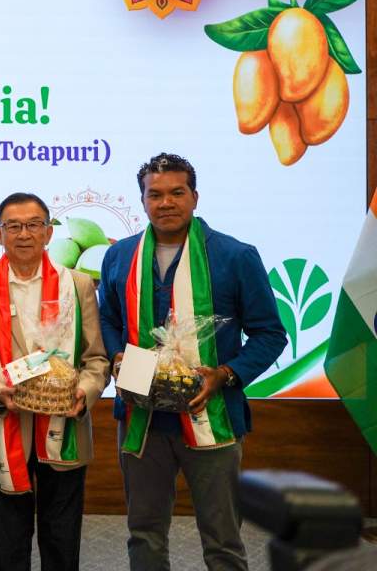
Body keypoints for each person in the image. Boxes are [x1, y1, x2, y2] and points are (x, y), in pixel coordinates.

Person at [99, 152, 287, 571]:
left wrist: (225, 374)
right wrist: (116, 356)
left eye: (177, 192)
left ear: (195, 197)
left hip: (213, 415)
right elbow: (108, 318)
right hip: (141, 418)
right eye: (155, 194)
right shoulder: (120, 256)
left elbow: (270, 334)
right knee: (144, 534)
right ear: (142, 200)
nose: (166, 202)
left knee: (222, 540)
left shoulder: (235, 256)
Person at [0, 193, 109, 571]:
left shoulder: (78, 285)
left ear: (49, 232)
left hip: (66, 427)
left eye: (34, 225)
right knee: (7, 543)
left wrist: (84, 393)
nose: (24, 234)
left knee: (62, 540)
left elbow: (96, 360)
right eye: (14, 226)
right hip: (4, 427)